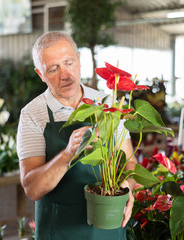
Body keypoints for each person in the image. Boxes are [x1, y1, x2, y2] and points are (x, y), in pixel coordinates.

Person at [17, 31, 137, 240]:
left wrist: (129, 186)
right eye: (53, 69)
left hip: (108, 225)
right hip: (60, 228)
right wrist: (68, 153)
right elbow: (32, 188)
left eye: (69, 63)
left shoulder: (107, 103)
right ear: (41, 74)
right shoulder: (32, 114)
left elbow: (130, 162)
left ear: (80, 59)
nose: (65, 74)